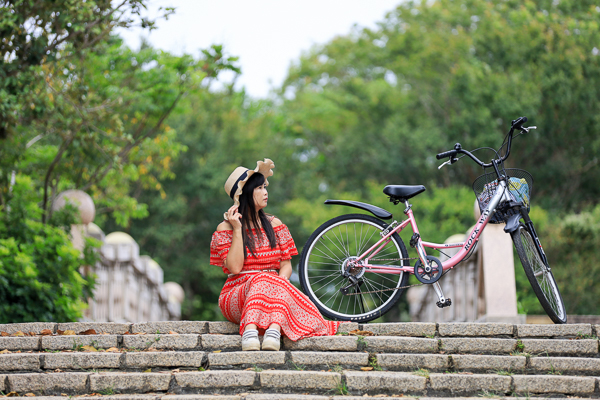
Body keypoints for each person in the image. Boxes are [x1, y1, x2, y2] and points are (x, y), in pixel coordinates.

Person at [210, 158, 340, 351]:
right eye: (259, 188)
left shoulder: (276, 225)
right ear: (245, 194)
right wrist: (238, 230)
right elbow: (235, 268)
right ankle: (250, 330)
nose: (265, 192)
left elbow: (286, 266)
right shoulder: (226, 229)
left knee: (274, 283)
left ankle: (273, 330)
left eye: (265, 187)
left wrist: (277, 287)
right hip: (237, 295)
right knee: (262, 279)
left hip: (274, 296)